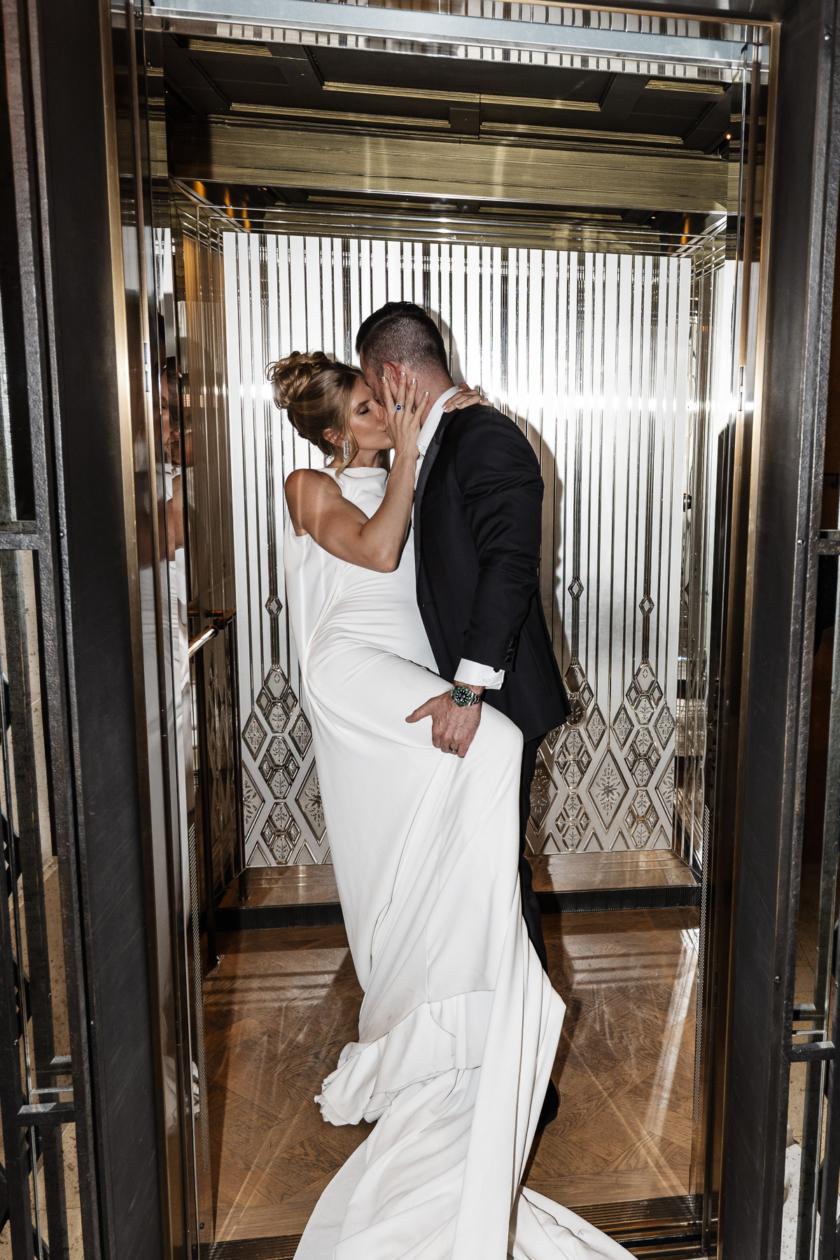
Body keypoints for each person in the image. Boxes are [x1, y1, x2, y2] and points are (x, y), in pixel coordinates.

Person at [276, 349, 630, 1260]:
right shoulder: (309, 487)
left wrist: (432, 435)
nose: (379, 414)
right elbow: (381, 548)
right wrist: (415, 440)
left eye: (379, 398)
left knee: (429, 838)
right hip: (351, 671)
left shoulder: (418, 460)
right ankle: (486, 993)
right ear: (329, 435)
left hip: (414, 676)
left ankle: (459, 1010)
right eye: (362, 409)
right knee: (494, 746)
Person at [356, 302, 570, 1129]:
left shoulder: (487, 436)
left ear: (394, 376)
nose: (377, 408)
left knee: (500, 887)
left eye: (376, 391)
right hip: (474, 701)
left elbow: (512, 565)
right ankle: (492, 1054)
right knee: (484, 884)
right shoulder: (448, 436)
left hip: (496, 703)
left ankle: (528, 1076)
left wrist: (470, 689)